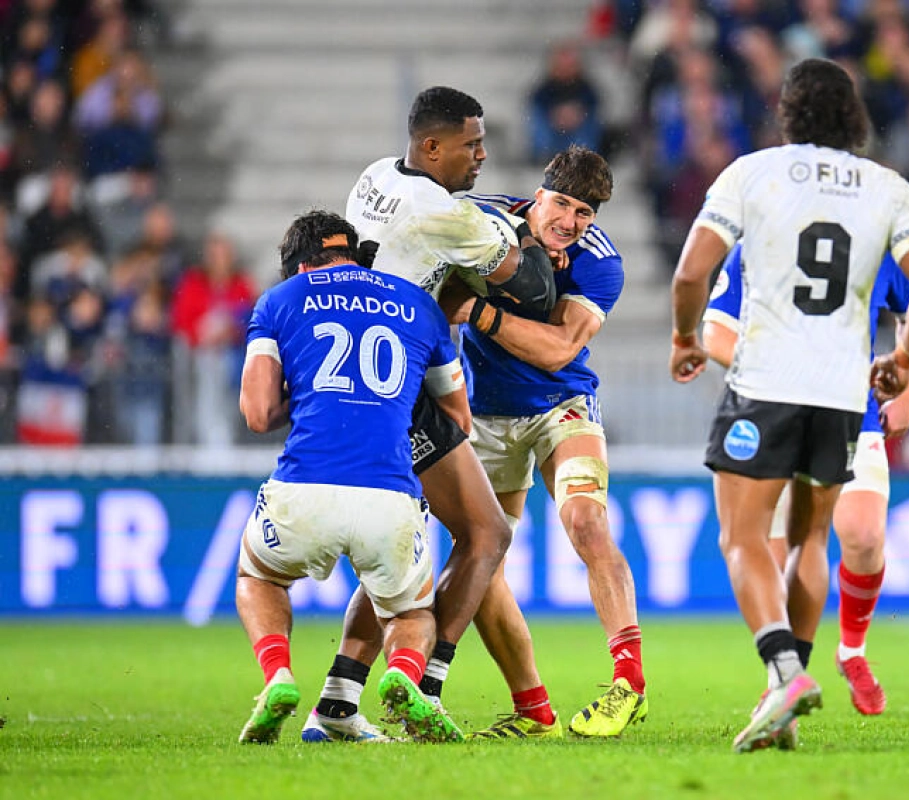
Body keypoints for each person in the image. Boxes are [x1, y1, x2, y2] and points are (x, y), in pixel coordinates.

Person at [668, 58, 909, 753]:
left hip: (766, 384)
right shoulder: (888, 189)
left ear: (787, 112)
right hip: (841, 394)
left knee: (742, 538)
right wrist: (906, 361)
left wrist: (683, 337)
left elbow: (691, 272)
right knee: (810, 541)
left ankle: (784, 672)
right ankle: (785, 703)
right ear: (852, 115)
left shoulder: (752, 173)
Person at [299, 86, 556, 743]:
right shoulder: (446, 215)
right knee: (487, 533)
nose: (483, 155)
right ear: (432, 146)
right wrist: (523, 230)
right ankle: (422, 688)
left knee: (400, 549)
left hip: (362, 379)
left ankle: (336, 703)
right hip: (405, 387)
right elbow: (529, 283)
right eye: (471, 144)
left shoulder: (376, 176)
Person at [235, 210, 467, 745]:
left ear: (298, 265)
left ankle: (278, 678)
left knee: (259, 577)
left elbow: (258, 413)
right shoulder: (416, 303)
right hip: (389, 493)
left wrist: (315, 394)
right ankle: (403, 675)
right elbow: (458, 418)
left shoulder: (280, 300)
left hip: (305, 485)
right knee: (411, 612)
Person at [443, 145, 646, 738]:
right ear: (539, 194)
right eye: (561, 205)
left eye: (585, 214)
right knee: (481, 560)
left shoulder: (601, 263)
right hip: (483, 417)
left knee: (586, 521)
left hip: (564, 405)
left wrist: (477, 313)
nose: (569, 223)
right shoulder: (484, 223)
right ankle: (534, 710)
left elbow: (560, 349)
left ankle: (627, 684)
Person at [703, 243, 909, 717]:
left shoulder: (869, 234)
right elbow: (717, 332)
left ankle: (850, 651)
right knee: (773, 552)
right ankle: (783, 683)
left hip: (849, 412)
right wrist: (779, 375)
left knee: (863, 534)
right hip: (768, 414)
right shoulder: (756, 243)